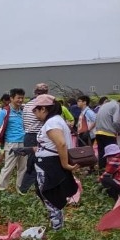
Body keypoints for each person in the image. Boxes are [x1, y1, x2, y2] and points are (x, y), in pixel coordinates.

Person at [32, 95, 79, 230]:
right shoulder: (56, 120)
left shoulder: (52, 122)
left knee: (50, 196)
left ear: (43, 109)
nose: (35, 114)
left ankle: (57, 229)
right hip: (49, 162)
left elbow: (61, 144)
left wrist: (65, 165)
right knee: (51, 195)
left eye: (35, 110)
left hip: (50, 165)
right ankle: (57, 226)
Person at [0, 88, 28, 191]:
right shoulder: (4, 112)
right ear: (11, 98)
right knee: (8, 167)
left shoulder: (22, 111)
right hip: (11, 143)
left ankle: (20, 189)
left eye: (22, 98)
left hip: (23, 142)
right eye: (18, 98)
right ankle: (1, 189)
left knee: (23, 168)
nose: (20, 100)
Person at [93, 97, 120, 170]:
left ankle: (102, 171)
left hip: (98, 133)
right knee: (113, 154)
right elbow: (116, 122)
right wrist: (118, 131)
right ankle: (113, 172)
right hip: (109, 134)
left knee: (102, 154)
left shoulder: (104, 105)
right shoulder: (117, 106)